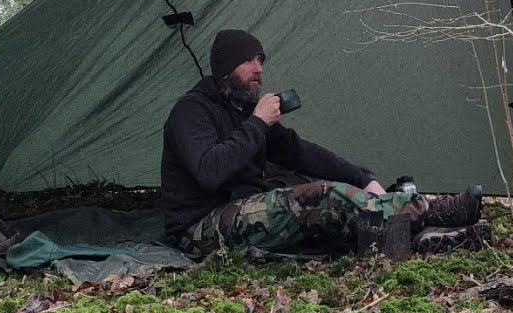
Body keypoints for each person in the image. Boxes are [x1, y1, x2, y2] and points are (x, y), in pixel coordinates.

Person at [161, 28, 485, 257]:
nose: (259, 68)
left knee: (332, 214)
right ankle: (432, 212)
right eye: (249, 61)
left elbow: (302, 153)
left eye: (261, 59)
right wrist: (257, 122)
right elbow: (209, 171)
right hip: (199, 229)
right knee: (323, 197)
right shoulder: (191, 112)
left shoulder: (244, 110)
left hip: (243, 212)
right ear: (225, 68)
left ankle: (424, 237)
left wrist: (363, 178)